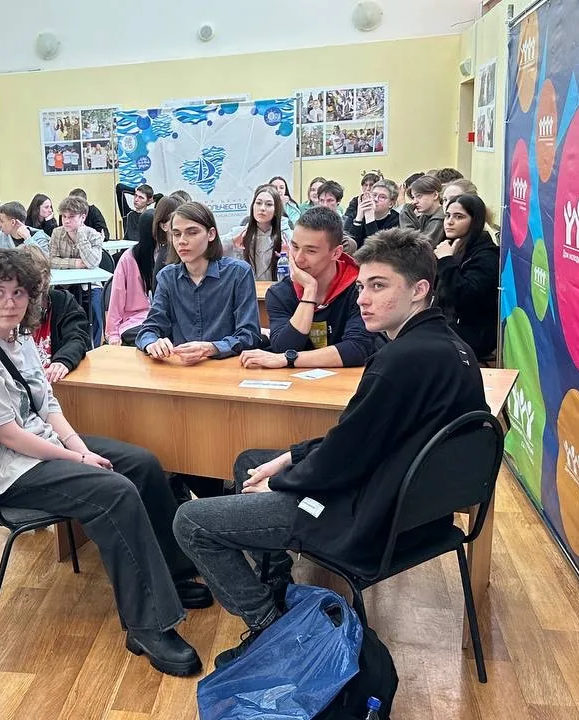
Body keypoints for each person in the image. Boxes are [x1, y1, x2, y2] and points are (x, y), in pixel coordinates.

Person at [172, 228, 489, 668]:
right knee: (252, 461)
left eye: (378, 286)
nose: (363, 299)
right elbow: (360, 439)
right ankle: (278, 585)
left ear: (419, 290)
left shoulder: (398, 362)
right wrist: (289, 459)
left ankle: (270, 625)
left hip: (364, 517)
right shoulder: (452, 348)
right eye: (361, 286)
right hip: (414, 509)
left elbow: (343, 459)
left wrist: (283, 482)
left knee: (190, 521)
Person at [0, 248, 211, 677]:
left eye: (19, 293)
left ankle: (171, 573)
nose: (10, 302)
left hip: (43, 447)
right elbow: (10, 437)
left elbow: (47, 405)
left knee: (142, 464)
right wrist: (77, 457)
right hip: (14, 472)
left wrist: (78, 447)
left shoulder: (18, 338)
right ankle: (147, 623)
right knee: (115, 493)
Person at [239, 207, 379, 369]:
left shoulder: (360, 288)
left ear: (336, 253)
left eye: (311, 251)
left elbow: (357, 349)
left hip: (352, 380)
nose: (299, 258)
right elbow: (282, 347)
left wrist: (289, 359)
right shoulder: (279, 293)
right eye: (295, 247)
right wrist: (309, 291)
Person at [137, 201, 262, 367]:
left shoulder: (238, 273)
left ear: (211, 234)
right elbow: (149, 329)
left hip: (227, 368)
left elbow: (250, 335)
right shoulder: (167, 277)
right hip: (181, 369)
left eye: (192, 233)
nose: (182, 241)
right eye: (176, 234)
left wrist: (211, 348)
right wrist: (152, 343)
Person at [435, 193, 500, 364]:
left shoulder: (487, 255)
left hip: (473, 334)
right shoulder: (450, 247)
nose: (449, 222)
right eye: (447, 215)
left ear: (475, 221)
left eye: (459, 217)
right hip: (447, 326)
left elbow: (463, 297)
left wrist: (446, 261)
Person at [21, 245, 90, 382]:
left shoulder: (63, 302)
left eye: (34, 280)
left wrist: (63, 360)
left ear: (45, 277)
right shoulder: (9, 309)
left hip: (55, 382)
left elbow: (78, 338)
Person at [105, 207, 159, 346]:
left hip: (162, 321)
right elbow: (117, 297)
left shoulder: (168, 255)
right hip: (135, 323)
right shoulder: (129, 258)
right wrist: (113, 334)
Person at [222, 185, 288, 282]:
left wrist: (290, 255)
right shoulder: (239, 233)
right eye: (258, 203)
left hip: (275, 289)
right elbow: (211, 250)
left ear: (276, 210)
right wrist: (231, 242)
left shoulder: (285, 236)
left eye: (269, 204)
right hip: (245, 289)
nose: (262, 208)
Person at [48, 194, 104, 270]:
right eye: (64, 216)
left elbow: (93, 263)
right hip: (64, 276)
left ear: (83, 217)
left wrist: (81, 237)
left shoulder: (94, 235)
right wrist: (76, 263)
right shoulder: (57, 233)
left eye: (71, 216)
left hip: (88, 277)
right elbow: (51, 261)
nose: (66, 221)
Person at [345, 178, 400, 250]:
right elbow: (347, 249)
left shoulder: (397, 220)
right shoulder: (356, 214)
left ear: (391, 203)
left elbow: (378, 249)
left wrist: (370, 218)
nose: (375, 199)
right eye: (374, 195)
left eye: (382, 197)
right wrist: (358, 219)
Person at [399, 174, 446, 246]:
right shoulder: (425, 216)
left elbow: (417, 247)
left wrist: (405, 214)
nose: (414, 202)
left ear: (435, 195)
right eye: (413, 197)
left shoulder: (440, 218)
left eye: (419, 196)